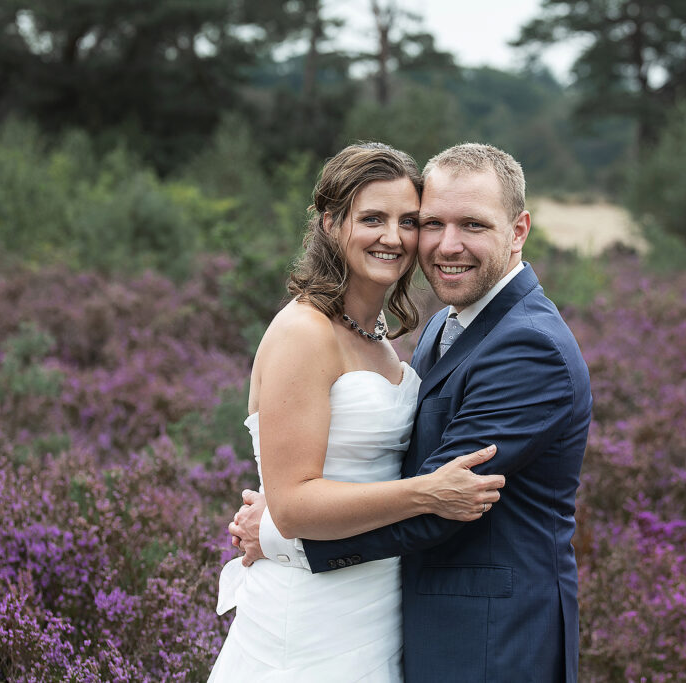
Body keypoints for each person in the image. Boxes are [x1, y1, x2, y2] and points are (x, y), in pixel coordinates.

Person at [232, 143, 592, 681]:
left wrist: (281, 533)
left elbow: (442, 499)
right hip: (371, 616)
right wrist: (294, 504)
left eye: (472, 224)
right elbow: (413, 481)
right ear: (331, 225)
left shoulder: (527, 347)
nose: (446, 245)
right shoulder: (441, 328)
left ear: (518, 231)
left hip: (491, 639)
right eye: (432, 223)